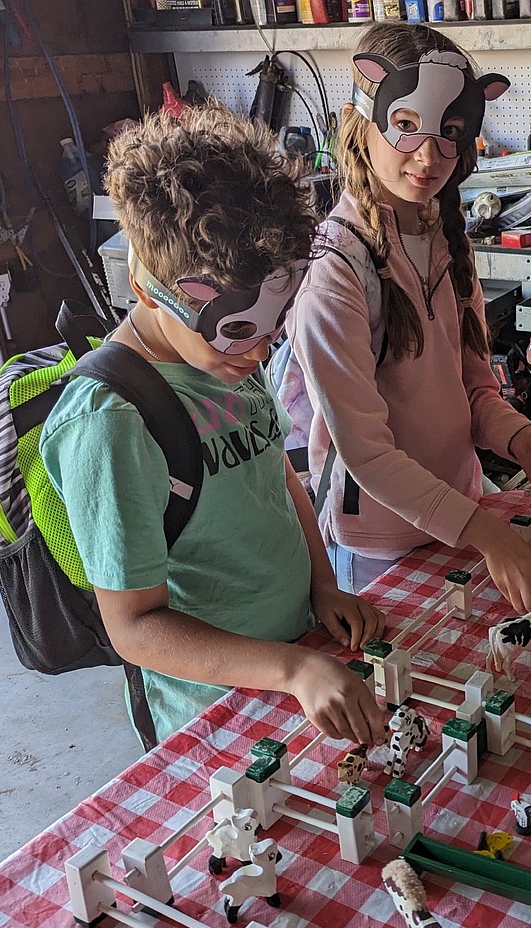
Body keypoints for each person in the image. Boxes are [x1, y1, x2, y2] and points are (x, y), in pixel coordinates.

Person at [40, 103, 388, 749]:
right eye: (237, 333)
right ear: (147, 286)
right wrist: (292, 668)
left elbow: (276, 475)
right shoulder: (110, 425)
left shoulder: (228, 360)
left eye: (273, 329)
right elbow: (135, 627)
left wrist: (321, 583)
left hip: (294, 662)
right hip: (211, 718)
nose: (260, 354)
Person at [287, 23, 531, 615]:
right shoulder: (336, 269)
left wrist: (517, 436)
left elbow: (471, 388)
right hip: (379, 544)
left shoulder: (447, 237)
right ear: (362, 125)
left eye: (450, 133)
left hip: (459, 517)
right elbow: (363, 451)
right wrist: (485, 531)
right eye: (407, 127)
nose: (428, 156)